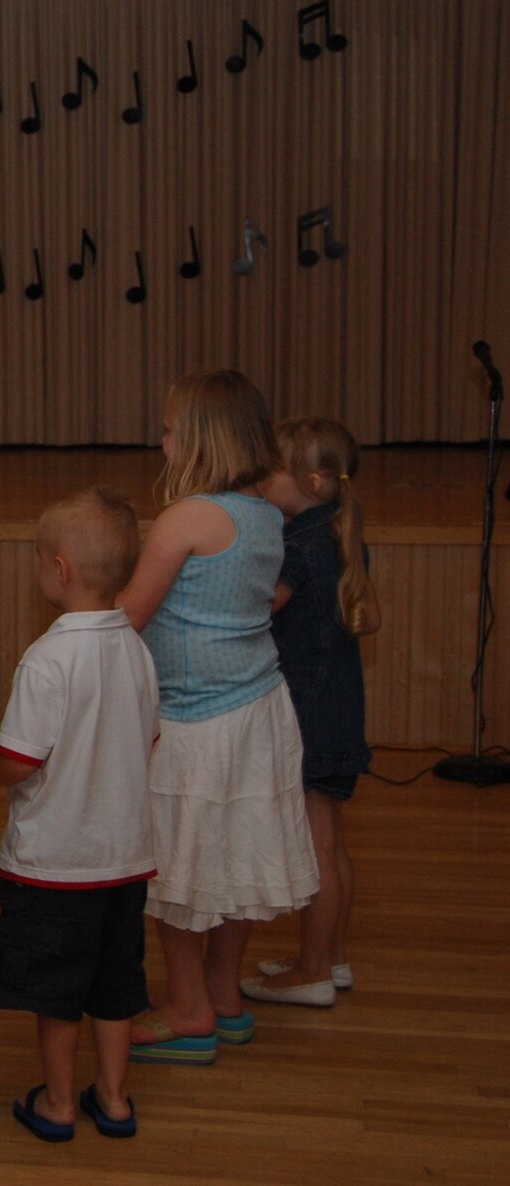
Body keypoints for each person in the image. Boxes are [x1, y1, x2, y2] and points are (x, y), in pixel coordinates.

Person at [117, 370, 318, 1063]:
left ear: (200, 439)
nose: (162, 439)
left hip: (197, 723)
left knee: (177, 873)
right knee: (230, 861)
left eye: (171, 429)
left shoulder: (188, 517)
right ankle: (225, 997)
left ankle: (188, 1008)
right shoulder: (265, 511)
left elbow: (128, 619)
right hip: (259, 706)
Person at [0, 487, 159, 1143]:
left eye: (41, 560)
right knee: (114, 986)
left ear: (62, 569)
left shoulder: (48, 659)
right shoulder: (137, 650)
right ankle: (115, 1097)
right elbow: (148, 737)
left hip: (53, 867)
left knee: (56, 991)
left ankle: (57, 1103)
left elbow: (22, 759)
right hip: (125, 861)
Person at [245, 417, 381, 1007]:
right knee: (333, 841)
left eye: (274, 469)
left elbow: (257, 609)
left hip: (309, 712)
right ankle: (333, 956)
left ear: (315, 481)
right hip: (340, 708)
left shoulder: (297, 544)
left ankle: (313, 970)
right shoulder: (338, 532)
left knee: (318, 846)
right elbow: (368, 616)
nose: (264, 477)